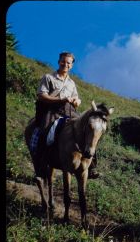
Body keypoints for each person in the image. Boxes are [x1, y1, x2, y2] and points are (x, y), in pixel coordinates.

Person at [33, 51, 100, 179]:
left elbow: (76, 99)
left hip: (69, 111)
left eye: (68, 63)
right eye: (63, 61)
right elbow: (41, 96)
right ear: (59, 62)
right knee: (45, 132)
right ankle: (41, 166)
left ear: (71, 65)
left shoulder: (71, 83)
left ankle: (92, 166)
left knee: (89, 130)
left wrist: (77, 101)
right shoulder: (48, 77)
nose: (65, 64)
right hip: (51, 111)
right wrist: (61, 99)